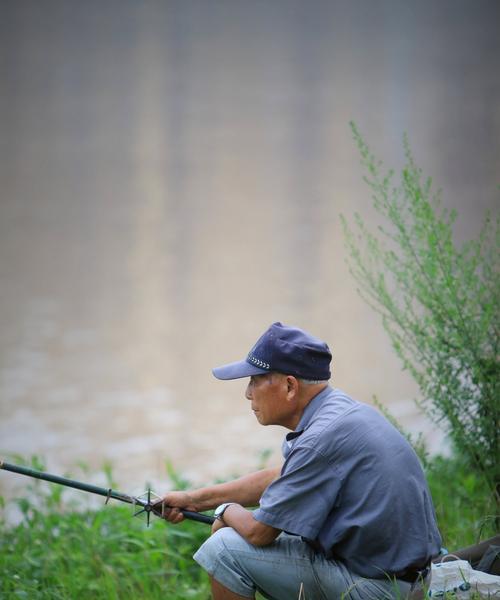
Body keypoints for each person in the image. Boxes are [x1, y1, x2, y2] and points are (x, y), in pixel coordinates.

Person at [159, 322, 442, 600]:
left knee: (222, 550)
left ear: (290, 387)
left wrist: (225, 511)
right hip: (411, 578)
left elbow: (259, 533)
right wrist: (194, 499)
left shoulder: (318, 442)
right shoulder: (337, 410)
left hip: (384, 589)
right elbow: (283, 475)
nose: (248, 393)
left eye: (255, 380)